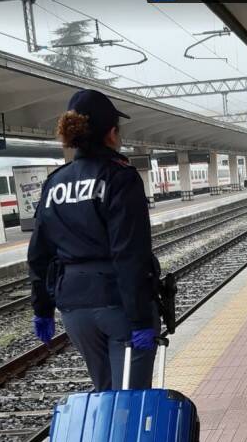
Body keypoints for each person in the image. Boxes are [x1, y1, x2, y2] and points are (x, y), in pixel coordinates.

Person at [27, 89, 161, 391]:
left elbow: (39, 253)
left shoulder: (55, 182)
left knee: (105, 393)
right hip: (118, 305)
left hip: (75, 309)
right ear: (112, 133)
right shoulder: (119, 177)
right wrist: (141, 319)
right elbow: (130, 254)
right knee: (129, 402)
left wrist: (42, 309)